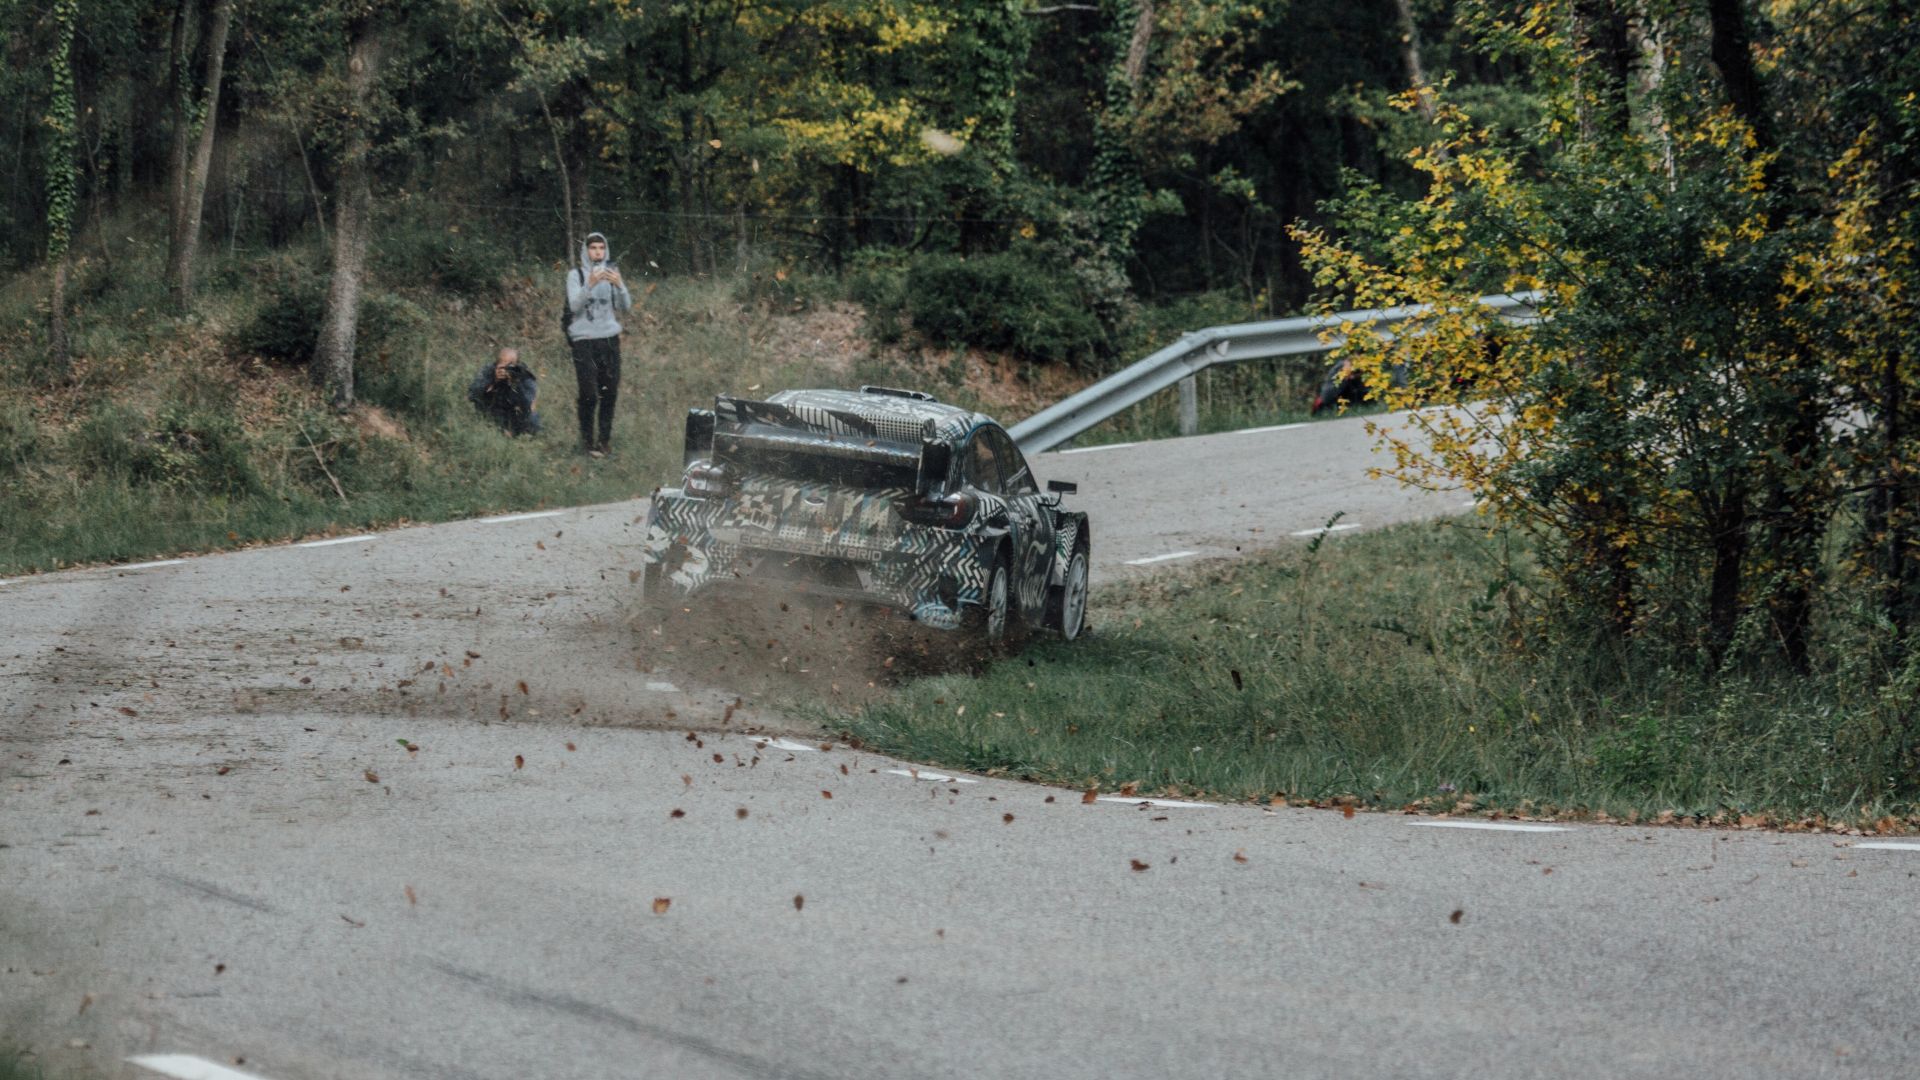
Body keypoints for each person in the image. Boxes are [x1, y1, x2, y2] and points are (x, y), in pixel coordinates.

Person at [564, 232, 633, 457]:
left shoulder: (612, 273)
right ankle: (587, 443)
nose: (597, 252)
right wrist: (590, 284)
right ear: (586, 251)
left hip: (609, 339)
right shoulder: (575, 275)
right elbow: (574, 306)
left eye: (601, 248)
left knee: (609, 392)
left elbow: (625, 306)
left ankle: (604, 442)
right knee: (588, 394)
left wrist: (620, 285)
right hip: (584, 341)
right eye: (593, 248)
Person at [468, 346, 542, 436]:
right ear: (497, 363)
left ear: (517, 364)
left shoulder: (523, 374)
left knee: (532, 419)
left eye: (510, 366)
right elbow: (472, 395)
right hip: (492, 411)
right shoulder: (489, 371)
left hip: (514, 413)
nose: (505, 370)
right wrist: (494, 382)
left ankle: (521, 435)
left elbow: (529, 405)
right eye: (503, 365)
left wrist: (515, 383)